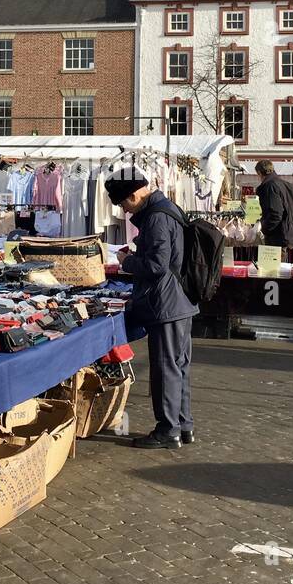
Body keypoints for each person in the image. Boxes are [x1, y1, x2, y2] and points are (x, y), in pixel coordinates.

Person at [107, 170, 197, 450]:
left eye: (123, 204)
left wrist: (127, 261)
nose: (124, 210)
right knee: (177, 366)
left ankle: (167, 429)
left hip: (166, 303)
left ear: (134, 195)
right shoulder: (167, 209)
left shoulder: (157, 217)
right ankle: (183, 426)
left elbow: (157, 265)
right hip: (179, 301)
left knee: (166, 367)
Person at [255, 160, 293, 256]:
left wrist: (264, 228)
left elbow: (276, 213)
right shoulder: (289, 185)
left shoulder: (269, 186)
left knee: (273, 269)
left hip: (277, 236)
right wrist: (290, 220)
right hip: (289, 234)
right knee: (282, 268)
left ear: (259, 173)